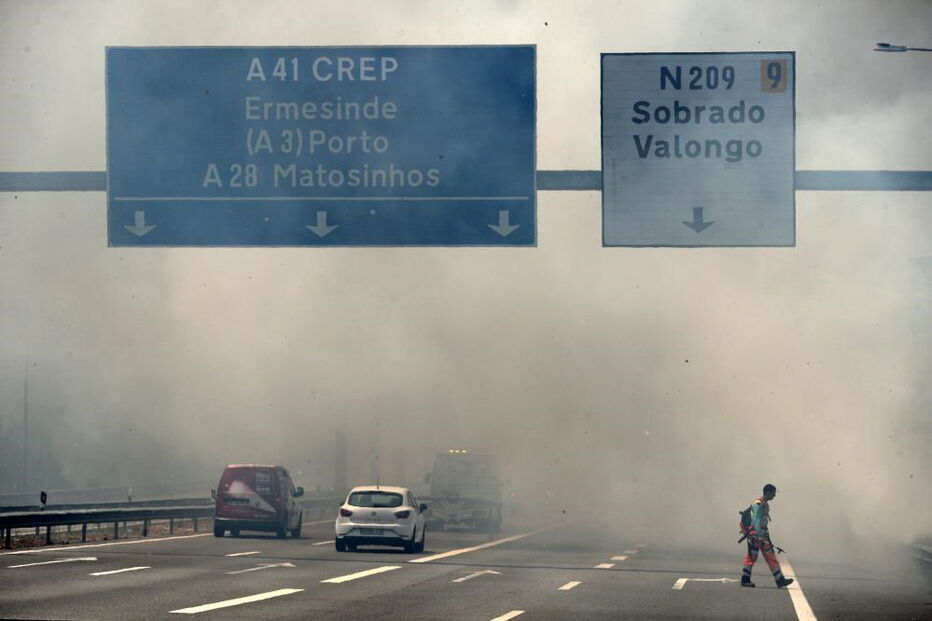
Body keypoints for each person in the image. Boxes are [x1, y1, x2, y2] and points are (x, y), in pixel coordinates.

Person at [741, 483, 794, 588]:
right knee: (752, 557)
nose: (774, 496)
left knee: (771, 556)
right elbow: (756, 521)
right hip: (756, 536)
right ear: (768, 492)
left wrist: (764, 535)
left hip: (763, 536)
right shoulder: (758, 504)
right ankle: (745, 579)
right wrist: (758, 535)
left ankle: (780, 580)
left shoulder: (764, 504)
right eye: (773, 493)